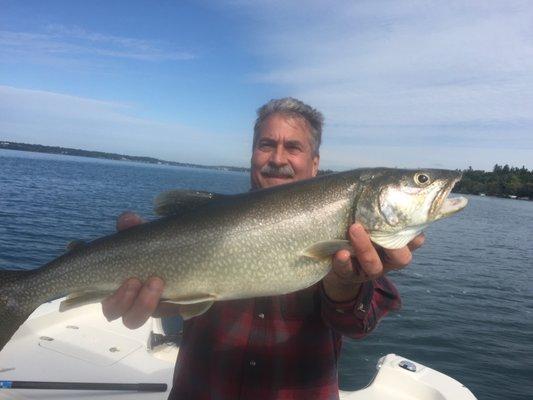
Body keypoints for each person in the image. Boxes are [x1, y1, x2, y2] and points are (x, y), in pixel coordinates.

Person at [102, 98, 424, 399]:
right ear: (252, 154)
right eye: (266, 145)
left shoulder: (356, 234)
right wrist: (159, 301)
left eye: (293, 147)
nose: (278, 158)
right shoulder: (202, 222)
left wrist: (345, 286)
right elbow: (175, 305)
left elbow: (358, 324)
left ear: (315, 164)